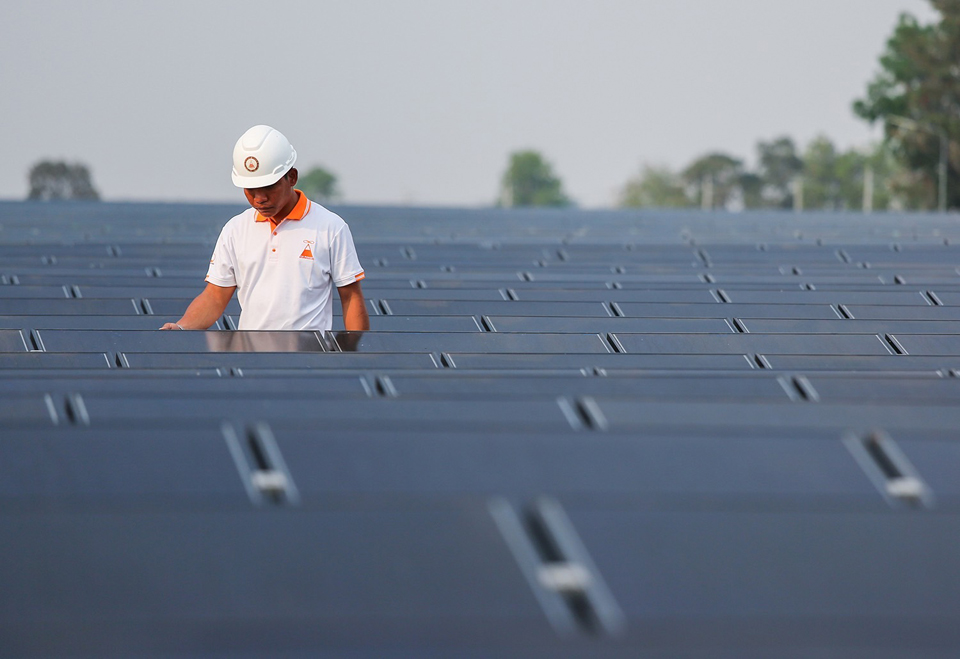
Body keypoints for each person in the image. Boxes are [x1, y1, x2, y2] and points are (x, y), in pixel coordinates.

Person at [161, 125, 369, 333]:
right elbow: (215, 296)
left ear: (292, 177)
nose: (259, 198)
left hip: (308, 352)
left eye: (269, 187)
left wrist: (358, 349)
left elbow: (350, 297)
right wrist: (181, 327)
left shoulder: (330, 228)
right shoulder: (235, 229)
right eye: (250, 189)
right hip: (250, 351)